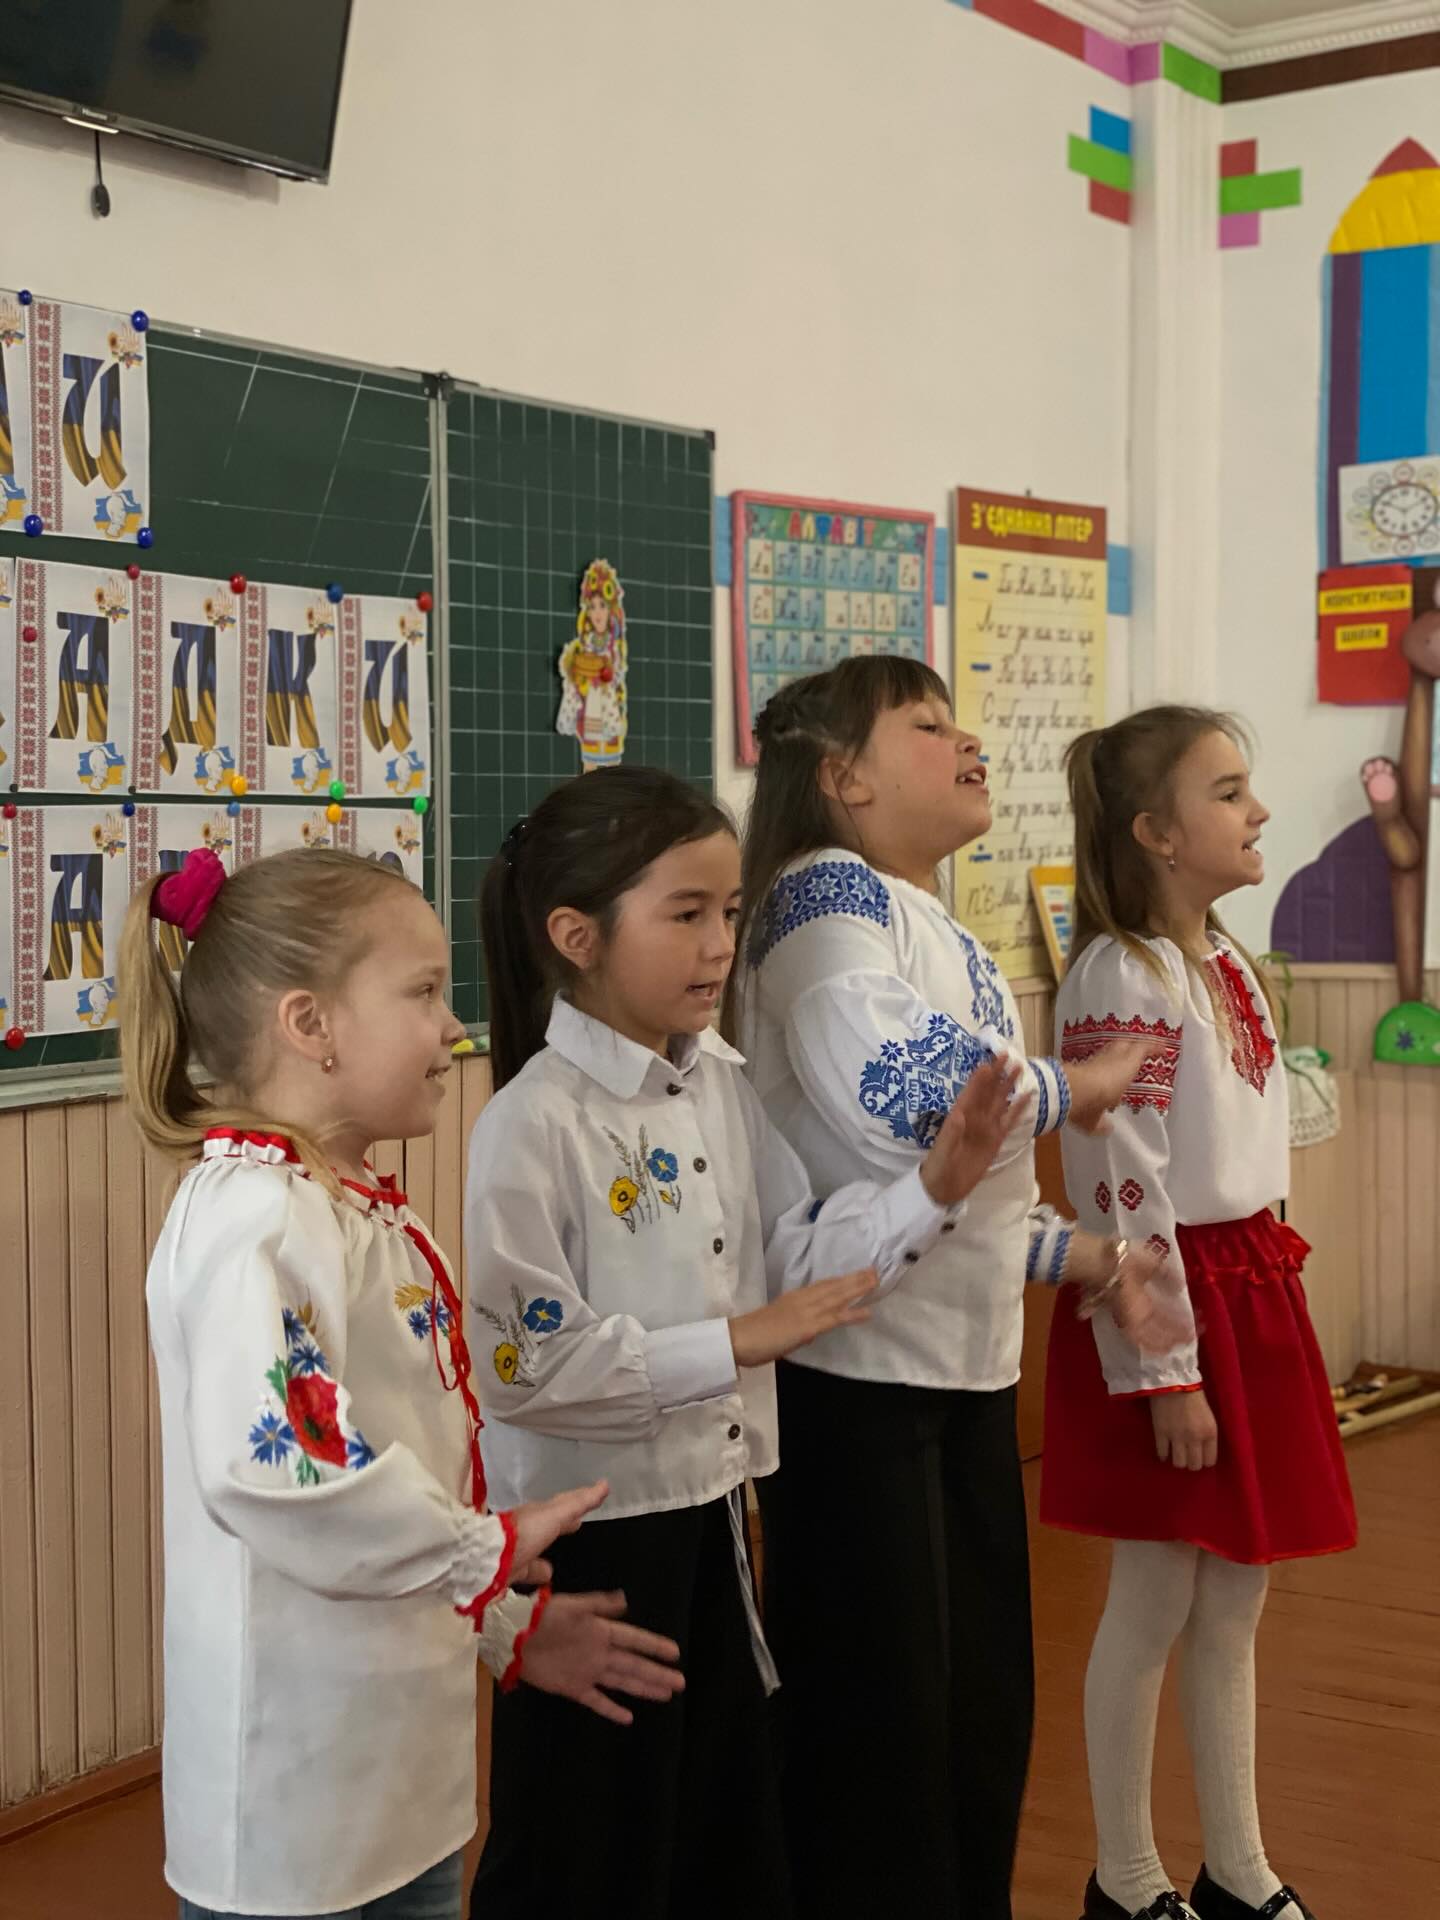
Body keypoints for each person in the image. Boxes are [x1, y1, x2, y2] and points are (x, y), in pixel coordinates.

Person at [465, 765, 1021, 1920]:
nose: (721, 945)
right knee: (590, 1851)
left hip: (715, 1515)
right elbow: (524, 1371)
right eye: (686, 914)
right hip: (593, 1543)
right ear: (576, 936)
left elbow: (793, 1256)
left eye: (727, 911)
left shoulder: (717, 1082)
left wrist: (930, 1189)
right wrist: (730, 1345)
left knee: (723, 1843)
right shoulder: (533, 1121)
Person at [121, 843, 684, 1920]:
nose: (453, 1028)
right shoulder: (255, 1217)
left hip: (397, 1783)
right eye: (423, 993)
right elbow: (279, 1468)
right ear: (311, 1024)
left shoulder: (345, 1203)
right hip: (296, 1817)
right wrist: (480, 1554)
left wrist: (500, 1622)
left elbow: (400, 1466)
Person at [728, 656, 1174, 1920]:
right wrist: (1082, 1085)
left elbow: (965, 1192)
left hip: (959, 1375)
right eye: (927, 725)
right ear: (843, 777)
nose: (967, 740)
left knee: (972, 1719)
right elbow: (917, 1102)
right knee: (881, 1738)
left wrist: (1088, 1260)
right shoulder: (822, 896)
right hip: (855, 1380)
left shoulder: (931, 919)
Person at [1042, 706, 1356, 1920]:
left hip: (1249, 1280)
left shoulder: (1220, 958)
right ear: (1157, 833)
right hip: (1170, 1298)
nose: (1257, 809)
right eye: (1227, 791)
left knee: (1237, 1591)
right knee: (1154, 1595)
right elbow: (1120, 1180)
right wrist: (1164, 1370)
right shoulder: (1120, 973)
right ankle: (1124, 1878)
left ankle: (1238, 1867)